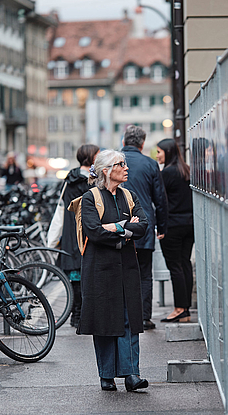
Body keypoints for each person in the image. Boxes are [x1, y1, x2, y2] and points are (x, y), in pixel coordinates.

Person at [78, 149, 149, 392]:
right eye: (121, 164)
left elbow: (144, 225)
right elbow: (94, 232)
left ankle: (132, 374)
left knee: (129, 319)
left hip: (127, 267)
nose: (126, 168)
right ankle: (106, 375)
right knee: (105, 321)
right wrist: (126, 230)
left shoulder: (129, 195)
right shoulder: (90, 198)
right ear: (106, 171)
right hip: (100, 269)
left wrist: (115, 227)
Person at [121, 125, 168, 330]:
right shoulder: (150, 164)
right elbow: (160, 199)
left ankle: (122, 315)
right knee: (144, 273)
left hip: (118, 225)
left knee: (120, 270)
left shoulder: (114, 162)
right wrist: (162, 227)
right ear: (142, 144)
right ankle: (143, 317)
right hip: (144, 225)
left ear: (124, 142)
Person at [58, 144, 99, 328]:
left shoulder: (70, 178)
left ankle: (78, 315)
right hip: (82, 233)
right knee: (82, 276)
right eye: (97, 155)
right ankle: (80, 315)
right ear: (90, 158)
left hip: (70, 233)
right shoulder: (87, 181)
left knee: (76, 276)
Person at [155, 138, 195, 323]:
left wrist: (161, 227)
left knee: (175, 267)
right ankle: (185, 309)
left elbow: (162, 203)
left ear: (167, 152)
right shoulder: (186, 170)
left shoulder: (167, 173)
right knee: (184, 264)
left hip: (173, 225)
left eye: (159, 152)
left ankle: (180, 308)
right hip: (189, 224)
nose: (157, 155)